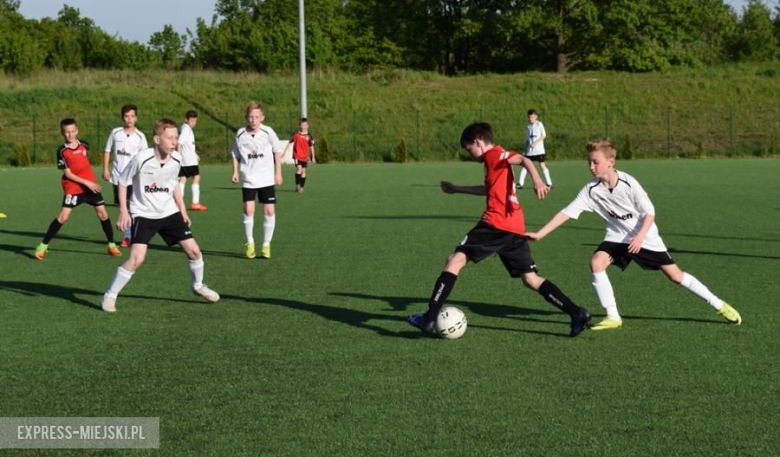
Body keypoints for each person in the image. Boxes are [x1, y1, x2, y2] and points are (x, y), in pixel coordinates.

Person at [525, 139, 742, 330]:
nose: (591, 166)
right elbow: (566, 212)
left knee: (675, 276)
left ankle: (718, 304)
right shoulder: (591, 190)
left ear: (611, 161)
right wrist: (541, 233)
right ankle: (613, 316)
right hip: (617, 236)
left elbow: (650, 213)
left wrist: (639, 237)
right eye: (588, 162)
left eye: (595, 162)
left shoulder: (629, 183)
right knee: (596, 263)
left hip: (645, 236)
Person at [406, 122, 592, 337]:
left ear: (478, 142)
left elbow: (523, 159)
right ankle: (576, 312)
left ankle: (429, 319)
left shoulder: (494, 154)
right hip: (514, 227)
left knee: (454, 260)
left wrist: (538, 180)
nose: (470, 154)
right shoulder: (492, 161)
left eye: (469, 149)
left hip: (494, 224)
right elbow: (489, 189)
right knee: (530, 279)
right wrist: (457, 189)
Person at [100, 118, 219, 313]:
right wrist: (123, 211)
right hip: (143, 214)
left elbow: (173, 185)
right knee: (137, 259)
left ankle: (198, 286)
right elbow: (123, 182)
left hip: (168, 211)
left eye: (176, 138)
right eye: (169, 138)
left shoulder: (177, 159)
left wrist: (182, 210)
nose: (174, 142)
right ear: (157, 139)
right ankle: (110, 296)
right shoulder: (141, 158)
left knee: (194, 251)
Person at [34, 118, 121, 260]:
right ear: (62, 133)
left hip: (91, 186)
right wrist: (87, 183)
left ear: (77, 131)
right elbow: (68, 174)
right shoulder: (62, 151)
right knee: (63, 216)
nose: (70, 134)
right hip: (74, 187)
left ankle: (111, 245)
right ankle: (43, 246)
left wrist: (90, 182)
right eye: (67, 132)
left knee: (103, 214)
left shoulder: (84, 145)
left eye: (73, 131)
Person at [231, 101, 283, 260]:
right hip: (248, 178)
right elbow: (235, 153)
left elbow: (277, 151)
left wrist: (278, 172)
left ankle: (266, 244)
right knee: (248, 210)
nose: (253, 120)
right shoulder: (240, 134)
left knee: (269, 211)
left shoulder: (268, 132)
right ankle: (250, 242)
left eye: (256, 117)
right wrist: (235, 171)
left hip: (266, 178)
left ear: (262, 118)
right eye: (250, 117)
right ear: (246, 118)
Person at [103, 104, 149, 247]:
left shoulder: (140, 137)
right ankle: (128, 235)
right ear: (122, 117)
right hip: (117, 177)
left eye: (132, 116)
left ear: (136, 118)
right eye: (126, 116)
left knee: (133, 207)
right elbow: (107, 150)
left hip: (134, 178)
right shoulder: (115, 133)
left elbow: (145, 157)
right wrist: (105, 169)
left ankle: (130, 236)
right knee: (122, 207)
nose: (129, 119)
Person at [177, 110, 207, 211]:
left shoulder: (185, 128)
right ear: (186, 120)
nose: (194, 123)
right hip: (188, 160)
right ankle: (195, 203)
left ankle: (178, 203)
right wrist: (178, 156)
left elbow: (187, 145)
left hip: (188, 158)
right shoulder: (186, 129)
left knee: (183, 178)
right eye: (192, 120)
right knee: (196, 177)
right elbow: (179, 143)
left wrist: (195, 154)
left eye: (195, 121)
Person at [517, 109, 552, 189]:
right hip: (530, 152)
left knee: (542, 165)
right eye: (529, 117)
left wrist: (535, 143)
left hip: (539, 151)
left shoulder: (539, 124)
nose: (531, 119)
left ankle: (549, 183)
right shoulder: (528, 126)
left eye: (532, 117)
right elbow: (527, 140)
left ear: (536, 117)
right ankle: (520, 183)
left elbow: (544, 135)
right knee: (525, 166)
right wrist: (525, 150)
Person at [283, 117, 316, 193]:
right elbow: (289, 143)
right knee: (299, 169)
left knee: (304, 172)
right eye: (302, 125)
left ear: (307, 126)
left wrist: (313, 157)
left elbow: (311, 147)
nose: (303, 127)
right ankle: (297, 184)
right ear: (299, 126)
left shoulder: (309, 136)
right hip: (297, 155)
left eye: (305, 125)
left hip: (305, 157)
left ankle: (301, 187)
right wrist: (284, 152)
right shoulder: (296, 134)